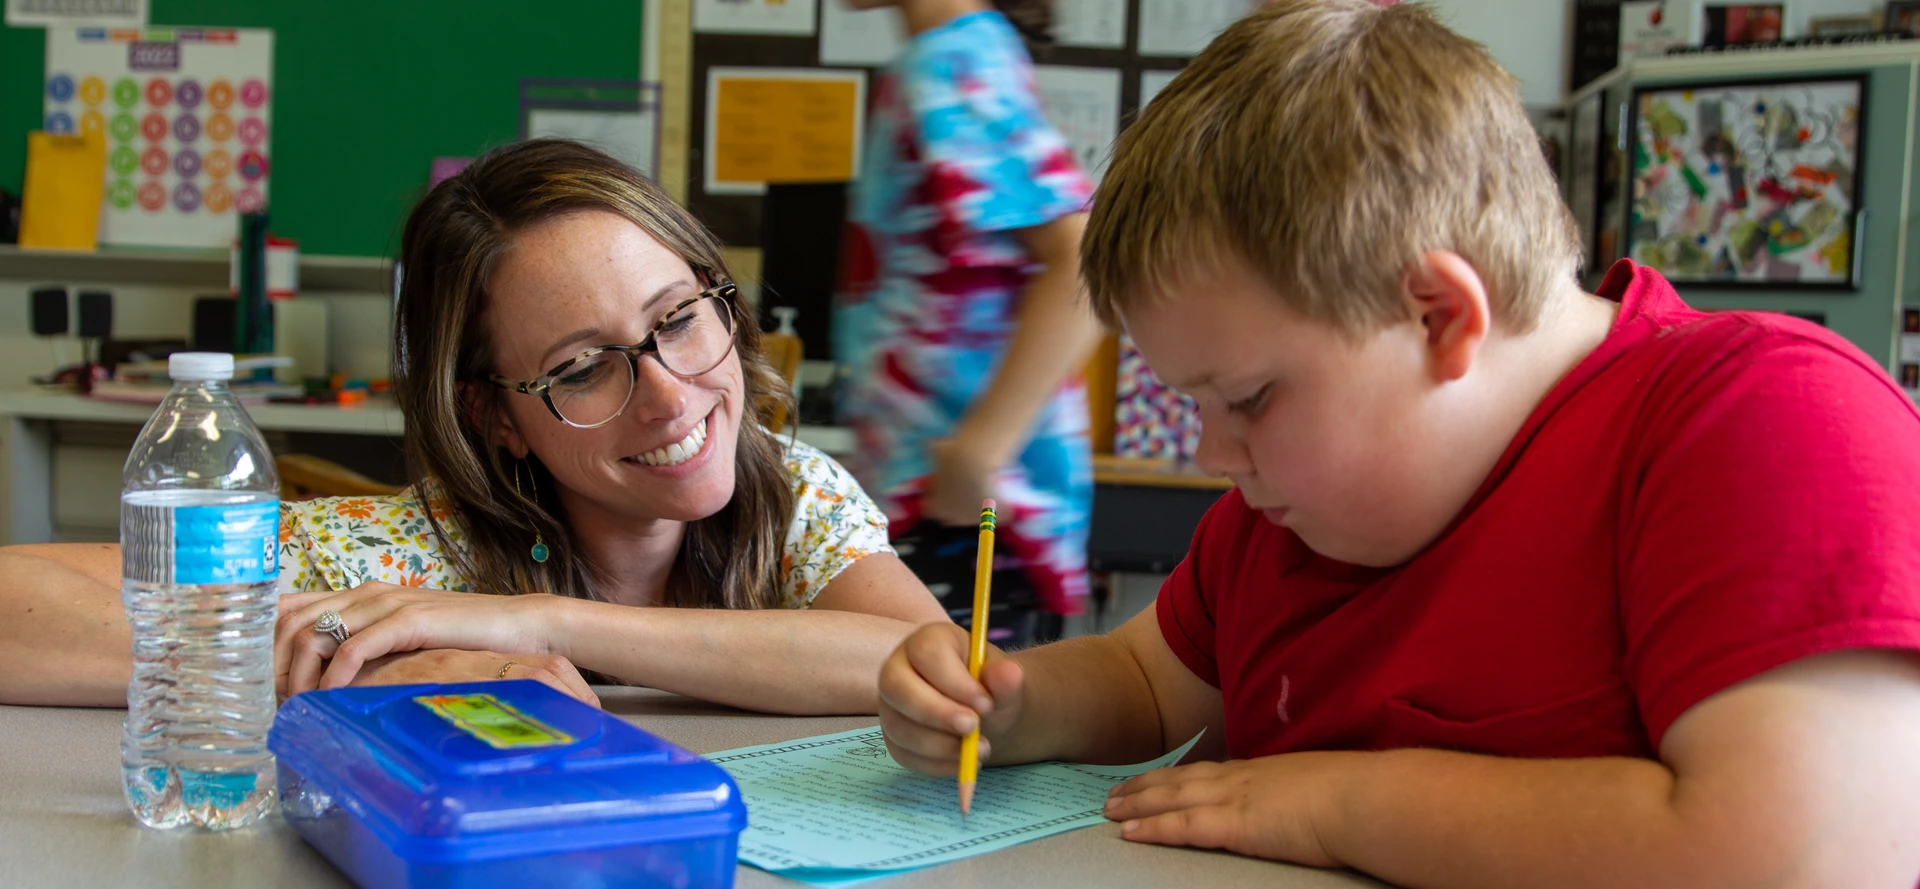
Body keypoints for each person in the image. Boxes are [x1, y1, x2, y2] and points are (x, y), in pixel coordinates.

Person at [876, 3, 1920, 887]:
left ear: (1437, 317)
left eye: (1247, 396)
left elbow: (1803, 853)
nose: (1211, 455)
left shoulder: (1764, 417)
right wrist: (1014, 706)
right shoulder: (1284, 513)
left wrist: (1342, 804)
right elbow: (1147, 682)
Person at [0, 138, 950, 714]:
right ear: (495, 416)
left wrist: (539, 623)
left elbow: (932, 660)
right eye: (580, 368)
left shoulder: (795, 496)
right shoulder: (409, 558)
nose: (668, 396)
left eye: (676, 319)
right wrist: (321, 665)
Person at [833, 0, 1102, 628]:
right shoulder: (942, 58)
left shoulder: (952, 61)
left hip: (965, 510)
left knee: (956, 718)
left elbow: (1080, 259)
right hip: (937, 497)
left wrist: (980, 451)